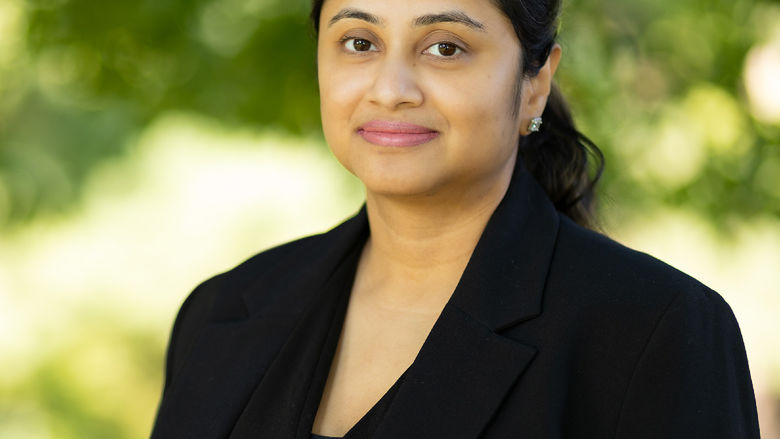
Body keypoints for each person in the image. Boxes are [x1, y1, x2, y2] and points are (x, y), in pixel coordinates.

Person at [150, 0, 761, 437]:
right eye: (359, 42)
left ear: (535, 84)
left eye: (445, 46)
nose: (390, 89)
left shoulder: (657, 331)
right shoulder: (222, 310)